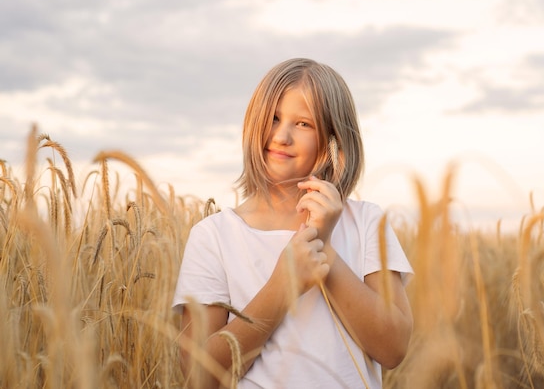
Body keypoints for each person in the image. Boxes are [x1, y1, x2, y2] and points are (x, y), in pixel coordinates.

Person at [172, 58, 413, 389]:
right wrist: (283, 286)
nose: (281, 136)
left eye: (303, 124)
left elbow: (393, 348)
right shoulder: (214, 237)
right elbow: (199, 376)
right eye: (272, 118)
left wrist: (324, 249)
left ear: (334, 140)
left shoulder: (367, 222)